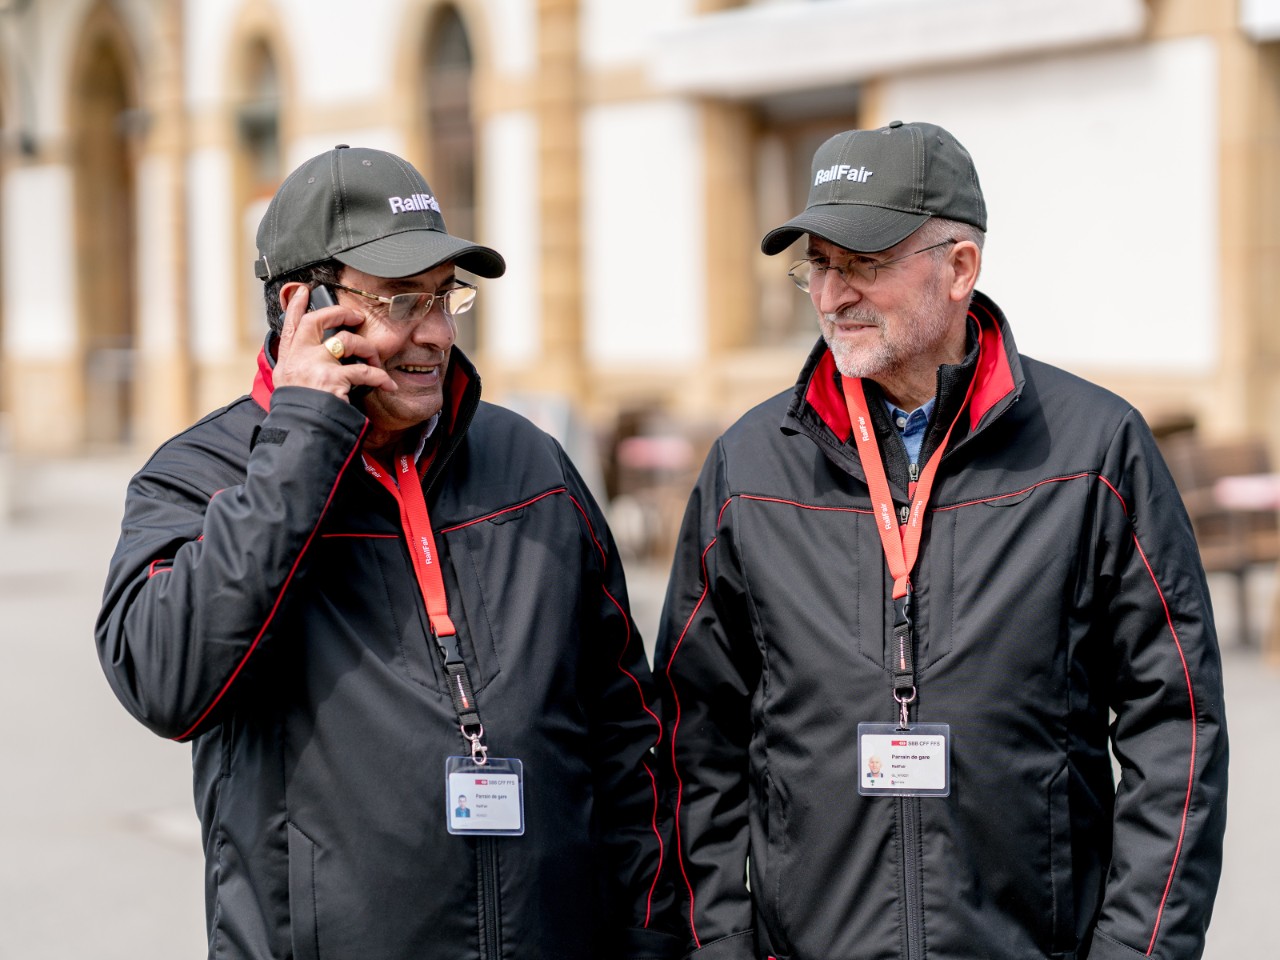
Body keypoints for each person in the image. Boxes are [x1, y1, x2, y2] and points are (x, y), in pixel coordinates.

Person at [655, 122, 1228, 960]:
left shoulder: (1094, 453)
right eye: (818, 264)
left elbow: (1176, 726)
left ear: (960, 268)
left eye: (864, 263)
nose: (832, 295)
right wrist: (722, 944)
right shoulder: (747, 469)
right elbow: (691, 737)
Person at [96, 145, 678, 960]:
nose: (436, 333)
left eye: (445, 296)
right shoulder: (199, 476)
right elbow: (167, 682)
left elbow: (628, 735)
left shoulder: (532, 466)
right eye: (403, 300)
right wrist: (304, 437)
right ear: (305, 307)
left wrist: (651, 941)